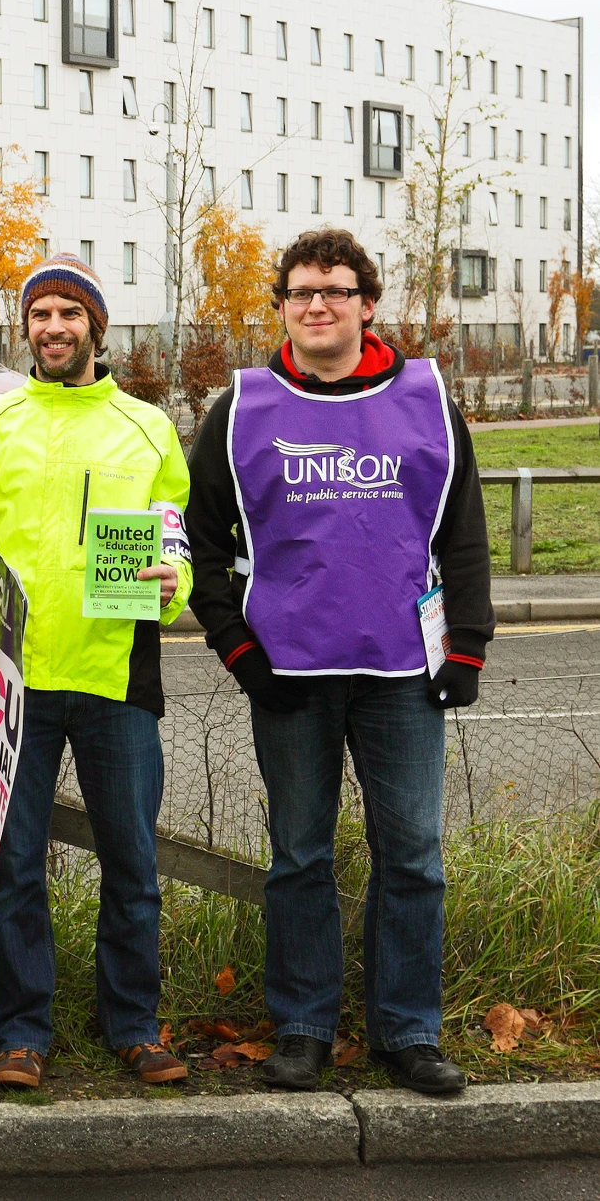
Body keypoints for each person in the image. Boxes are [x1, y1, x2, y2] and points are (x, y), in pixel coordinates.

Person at [185, 228, 489, 1096]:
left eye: (336, 289)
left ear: (366, 302)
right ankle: (305, 1026)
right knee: (299, 857)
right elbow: (203, 543)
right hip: (288, 673)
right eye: (300, 291)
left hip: (403, 672)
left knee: (415, 857)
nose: (317, 304)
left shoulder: (428, 398)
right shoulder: (241, 409)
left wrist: (465, 645)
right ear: (282, 304)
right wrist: (239, 649)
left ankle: (408, 1030)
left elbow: (462, 534)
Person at [0, 255, 193, 1089]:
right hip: (17, 685)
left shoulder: (148, 427)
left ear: (96, 328)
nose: (52, 327)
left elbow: (173, 540)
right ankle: (22, 1032)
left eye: (68, 314)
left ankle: (134, 1025)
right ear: (26, 327)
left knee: (132, 863)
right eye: (40, 313)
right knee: (10, 867)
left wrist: (172, 581)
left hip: (118, 679)